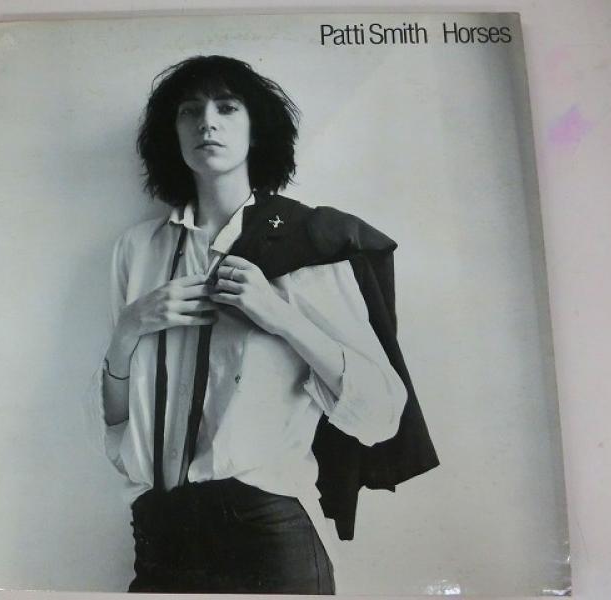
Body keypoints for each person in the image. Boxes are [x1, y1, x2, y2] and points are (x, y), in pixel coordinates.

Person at [87, 55, 419, 594]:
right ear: (172, 133)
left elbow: (381, 413)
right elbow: (116, 427)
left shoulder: (306, 242)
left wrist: (280, 316)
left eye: (226, 108)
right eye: (189, 111)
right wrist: (128, 330)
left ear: (256, 128)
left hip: (264, 538)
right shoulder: (137, 249)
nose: (207, 123)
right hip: (158, 537)